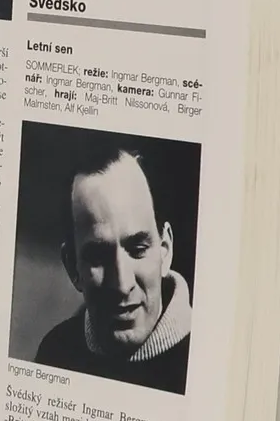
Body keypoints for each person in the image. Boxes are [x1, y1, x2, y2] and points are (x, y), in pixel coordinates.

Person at [33, 139, 192, 394]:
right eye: (98, 257)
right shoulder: (55, 354)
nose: (122, 284)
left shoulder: (203, 361)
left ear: (165, 249)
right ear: (73, 267)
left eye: (138, 250)